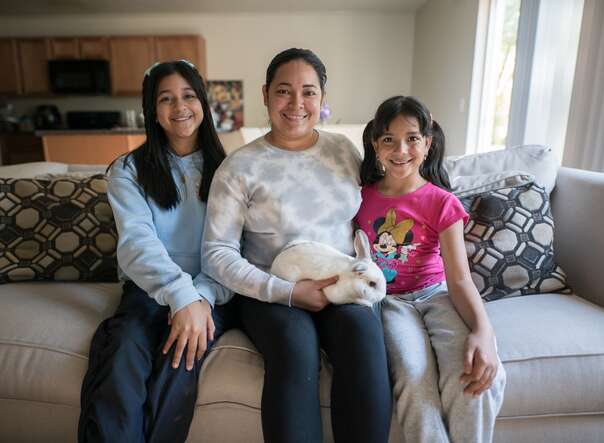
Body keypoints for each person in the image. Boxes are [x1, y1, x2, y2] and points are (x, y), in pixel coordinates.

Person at [202, 48, 392, 443]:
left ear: (323, 99)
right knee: (295, 344)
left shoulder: (344, 150)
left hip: (341, 283)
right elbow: (216, 253)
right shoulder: (239, 167)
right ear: (265, 94)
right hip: (268, 290)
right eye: (284, 91)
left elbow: (381, 204)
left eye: (308, 92)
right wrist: (287, 292)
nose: (296, 104)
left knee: (362, 335)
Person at [78, 60, 238, 443]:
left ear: (203, 101)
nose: (179, 106)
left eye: (188, 95)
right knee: (120, 354)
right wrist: (180, 296)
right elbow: (136, 245)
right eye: (166, 98)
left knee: (179, 361)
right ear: (152, 110)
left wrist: (199, 299)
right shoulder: (127, 170)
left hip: (213, 291)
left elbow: (237, 246)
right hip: (149, 289)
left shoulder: (234, 168)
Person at [356, 96, 507, 443]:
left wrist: (485, 331)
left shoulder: (442, 202)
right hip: (390, 302)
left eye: (412, 138)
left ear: (428, 142)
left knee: (471, 371)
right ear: (375, 144)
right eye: (389, 139)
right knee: (411, 372)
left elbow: (459, 278)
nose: (401, 150)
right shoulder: (360, 198)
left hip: (437, 295)